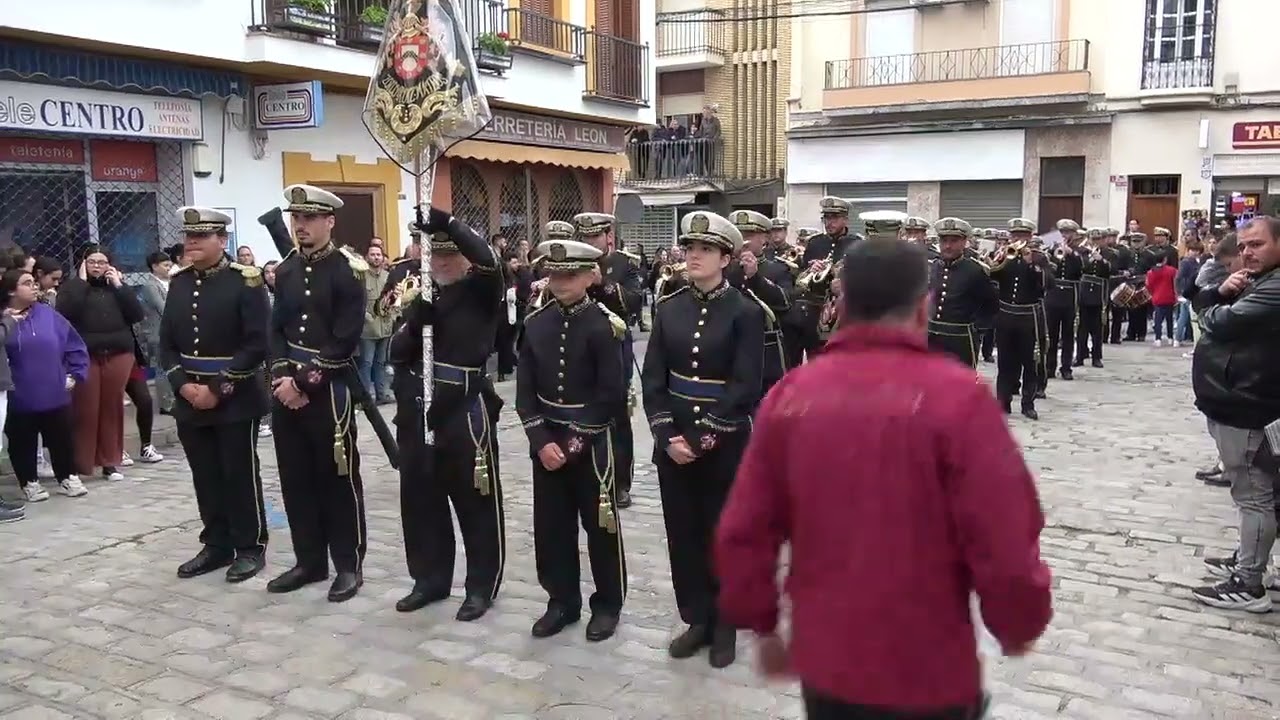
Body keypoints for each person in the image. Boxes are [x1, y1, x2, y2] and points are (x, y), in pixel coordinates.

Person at [714, 238, 1052, 720]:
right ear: (923, 306)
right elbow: (1006, 533)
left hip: (831, 665)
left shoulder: (793, 395)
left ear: (843, 303)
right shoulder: (959, 397)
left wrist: (760, 623)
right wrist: (1018, 624)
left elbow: (744, 528)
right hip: (931, 670)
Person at [641, 210, 765, 669]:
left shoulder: (746, 313)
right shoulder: (669, 307)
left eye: (705, 250)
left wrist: (706, 436)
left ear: (726, 258)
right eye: (690, 248)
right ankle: (696, 618)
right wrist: (667, 433)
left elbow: (745, 384)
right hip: (674, 443)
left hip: (725, 443)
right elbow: (652, 378)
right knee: (684, 533)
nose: (693, 256)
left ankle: (726, 623)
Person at [388, 207, 507, 622]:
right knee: (421, 500)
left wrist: (448, 223)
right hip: (418, 410)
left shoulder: (481, 289)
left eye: (447, 255)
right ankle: (430, 578)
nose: (439, 263)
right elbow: (395, 354)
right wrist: (414, 324)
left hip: (463, 410)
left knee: (475, 502)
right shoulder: (424, 294)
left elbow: (489, 261)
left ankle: (480, 585)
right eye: (432, 255)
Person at [516, 238, 628, 642]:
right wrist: (540, 440)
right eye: (554, 273)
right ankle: (561, 601)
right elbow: (525, 391)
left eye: (569, 274)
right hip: (547, 439)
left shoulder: (603, 324)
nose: (560, 281)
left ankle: (608, 604)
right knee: (551, 529)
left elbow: (610, 394)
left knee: (601, 527)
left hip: (591, 441)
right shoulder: (536, 323)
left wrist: (575, 443)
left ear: (587, 277)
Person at [266, 185, 369, 603]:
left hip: (328, 389)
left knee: (337, 479)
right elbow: (275, 328)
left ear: (329, 222)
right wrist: (279, 378)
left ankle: (348, 564)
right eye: (296, 219)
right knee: (296, 478)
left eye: (309, 219)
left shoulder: (348, 270)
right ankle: (309, 560)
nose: (300, 226)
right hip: (286, 385)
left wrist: (304, 383)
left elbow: (345, 338)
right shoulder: (288, 268)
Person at [161, 207, 271, 583]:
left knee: (238, 473)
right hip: (190, 396)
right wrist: (183, 386)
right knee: (205, 475)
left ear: (221, 241)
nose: (191, 243)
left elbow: (257, 343)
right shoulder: (179, 281)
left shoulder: (246, 282)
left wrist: (218, 387)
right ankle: (217, 543)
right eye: (188, 237)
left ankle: (249, 546)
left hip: (235, 396)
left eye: (200, 237)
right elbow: (166, 344)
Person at [1190, 216, 1280, 612]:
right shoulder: (1259, 280)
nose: (1246, 252)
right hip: (1240, 399)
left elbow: (1221, 324)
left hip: (1249, 405)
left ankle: (1249, 582)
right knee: (1263, 497)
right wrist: (1220, 290)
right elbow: (1205, 300)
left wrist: (1212, 306)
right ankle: (1253, 560)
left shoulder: (1274, 286)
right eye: (1243, 246)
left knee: (1253, 497)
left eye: (1257, 244)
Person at [57, 245, 144, 481]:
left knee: (111, 408)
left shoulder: (117, 288)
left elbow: (137, 314)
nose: (97, 266)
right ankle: (80, 463)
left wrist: (119, 285)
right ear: (83, 263)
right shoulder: (74, 288)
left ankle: (110, 462)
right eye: (92, 261)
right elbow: (66, 311)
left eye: (102, 262)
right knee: (85, 409)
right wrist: (81, 283)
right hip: (86, 356)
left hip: (118, 354)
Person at [2, 268, 89, 502]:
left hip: (54, 392)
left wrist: (75, 374)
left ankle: (67, 477)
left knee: (62, 438)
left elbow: (75, 345)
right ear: (11, 290)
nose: (34, 286)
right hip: (19, 395)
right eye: (26, 283)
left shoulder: (49, 315)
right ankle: (29, 482)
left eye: (34, 282)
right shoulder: (3, 320)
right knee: (22, 441)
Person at [574, 212, 642, 509]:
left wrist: (603, 284)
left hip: (614, 349)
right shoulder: (574, 261)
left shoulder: (624, 264)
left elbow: (635, 301)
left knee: (616, 417)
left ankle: (621, 483)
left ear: (607, 237)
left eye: (594, 237)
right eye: (585, 237)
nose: (589, 242)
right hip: (581, 347)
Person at [991, 219, 1046, 420]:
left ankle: (1028, 403)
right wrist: (997, 259)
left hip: (1028, 317)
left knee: (1030, 362)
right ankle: (1002, 402)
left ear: (1030, 237)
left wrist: (1031, 264)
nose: (1018, 240)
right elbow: (990, 275)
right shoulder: (1005, 255)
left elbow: (1048, 284)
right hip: (1006, 315)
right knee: (1005, 362)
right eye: (1015, 236)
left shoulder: (1039, 258)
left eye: (1022, 236)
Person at [926, 217, 997, 368]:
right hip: (932, 338)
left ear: (964, 242)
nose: (948, 246)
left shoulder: (975, 270)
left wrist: (977, 329)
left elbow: (991, 304)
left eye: (953, 241)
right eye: (944, 241)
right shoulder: (933, 267)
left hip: (961, 339)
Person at [791, 197, 854, 364]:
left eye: (835, 218)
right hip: (814, 310)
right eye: (826, 218)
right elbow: (801, 278)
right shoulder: (815, 243)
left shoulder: (856, 243)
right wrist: (811, 270)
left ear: (845, 219)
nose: (829, 222)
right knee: (815, 359)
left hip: (842, 313)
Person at [1043, 220, 1083, 381]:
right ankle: (1050, 366)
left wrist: (1071, 254)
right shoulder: (1050, 249)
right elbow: (1047, 269)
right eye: (1063, 232)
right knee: (1051, 333)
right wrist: (1054, 253)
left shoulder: (1080, 251)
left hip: (1069, 296)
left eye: (1068, 232)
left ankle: (1066, 368)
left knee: (1068, 334)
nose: (1065, 235)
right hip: (1053, 295)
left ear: (1074, 234)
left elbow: (1081, 270)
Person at [136, 251, 175, 414]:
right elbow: (164, 308)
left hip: (171, 332)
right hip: (157, 333)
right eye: (165, 265)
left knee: (171, 367)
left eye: (169, 265)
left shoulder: (169, 282)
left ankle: (172, 399)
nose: (169, 268)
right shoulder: (150, 286)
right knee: (162, 368)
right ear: (154, 267)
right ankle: (165, 404)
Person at [359, 244, 394, 404]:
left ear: (382, 257)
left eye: (378, 254)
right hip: (368, 329)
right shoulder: (361, 277)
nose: (375, 257)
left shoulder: (388, 276)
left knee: (380, 363)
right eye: (372, 254)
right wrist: (367, 317)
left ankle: (382, 394)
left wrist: (393, 316)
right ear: (367, 257)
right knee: (366, 363)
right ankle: (367, 397)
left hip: (385, 328)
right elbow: (357, 303)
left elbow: (395, 299)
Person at [1073, 228, 1112, 368]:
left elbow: (1111, 271)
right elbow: (1078, 270)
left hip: (1098, 295)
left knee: (1097, 329)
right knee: (1081, 328)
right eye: (1093, 239)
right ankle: (1080, 356)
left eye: (1099, 239)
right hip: (1084, 294)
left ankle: (1097, 357)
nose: (1096, 242)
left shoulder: (1109, 253)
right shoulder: (1082, 252)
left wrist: (1101, 260)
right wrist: (1088, 260)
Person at [1146, 251, 1178, 346]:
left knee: (1158, 320)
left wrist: (1153, 294)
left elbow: (1148, 285)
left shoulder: (1150, 272)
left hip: (1157, 298)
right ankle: (1170, 337)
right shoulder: (1171, 270)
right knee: (1169, 319)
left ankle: (1158, 338)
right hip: (1169, 297)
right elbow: (1175, 283)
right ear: (1165, 260)